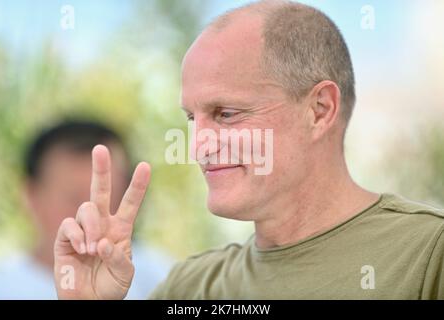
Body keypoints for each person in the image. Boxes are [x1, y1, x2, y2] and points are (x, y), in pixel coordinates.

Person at [53, 0, 444, 300]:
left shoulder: (428, 256)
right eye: (192, 119)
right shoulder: (190, 288)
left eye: (225, 113)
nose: (198, 147)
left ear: (319, 110)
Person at [0, 120, 173, 299]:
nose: (90, 215)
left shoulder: (161, 280)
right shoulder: (1, 288)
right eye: (73, 199)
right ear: (31, 197)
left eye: (109, 198)